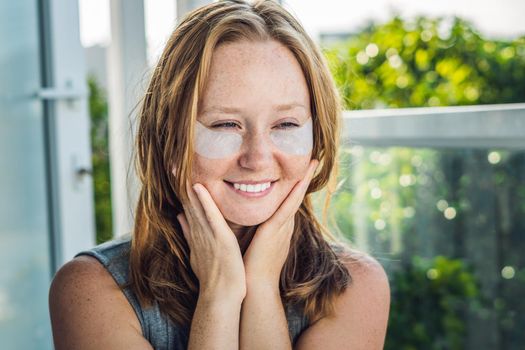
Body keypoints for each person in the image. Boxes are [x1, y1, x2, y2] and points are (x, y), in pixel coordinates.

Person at [49, 0, 390, 349]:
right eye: (226, 124)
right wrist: (220, 294)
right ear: (170, 138)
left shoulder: (355, 287)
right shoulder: (90, 290)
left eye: (285, 124)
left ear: (318, 138)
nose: (257, 158)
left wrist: (260, 287)